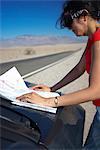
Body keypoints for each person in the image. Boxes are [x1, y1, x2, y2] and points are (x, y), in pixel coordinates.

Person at [17, 0, 100, 149]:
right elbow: (78, 69)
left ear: (84, 17)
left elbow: (96, 90)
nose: (71, 30)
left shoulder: (99, 40)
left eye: (71, 24)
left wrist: (49, 101)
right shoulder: (93, 38)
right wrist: (52, 88)